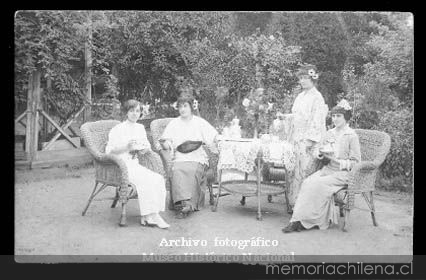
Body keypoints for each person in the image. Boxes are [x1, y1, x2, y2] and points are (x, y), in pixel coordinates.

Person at [282, 99, 361, 233]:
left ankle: (306, 221)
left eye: (339, 116)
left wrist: (338, 161)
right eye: (334, 116)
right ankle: (298, 220)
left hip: (343, 173)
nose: (335, 119)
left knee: (317, 184)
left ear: (346, 118)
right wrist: (319, 153)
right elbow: (320, 149)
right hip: (328, 169)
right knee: (307, 182)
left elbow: (356, 161)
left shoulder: (351, 135)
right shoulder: (330, 133)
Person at [272, 64, 328, 213]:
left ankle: (304, 207)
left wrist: (309, 140)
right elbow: (297, 116)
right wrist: (285, 117)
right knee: (293, 170)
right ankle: (293, 203)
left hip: (309, 141)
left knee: (304, 171)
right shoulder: (301, 96)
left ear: (313, 79)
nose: (302, 81)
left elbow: (317, 120)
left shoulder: (317, 97)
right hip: (296, 138)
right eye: (301, 78)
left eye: (305, 78)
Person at [105, 99, 169, 229]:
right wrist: (126, 147)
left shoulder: (140, 128)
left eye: (137, 111)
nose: (135, 114)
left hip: (134, 164)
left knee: (157, 178)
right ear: (126, 112)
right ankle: (151, 216)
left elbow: (147, 145)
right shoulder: (118, 129)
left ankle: (149, 216)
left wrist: (145, 149)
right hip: (121, 166)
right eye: (132, 111)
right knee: (145, 181)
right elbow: (109, 151)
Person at [160, 89, 219, 218]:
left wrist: (218, 140)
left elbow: (213, 135)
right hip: (180, 157)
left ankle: (188, 205)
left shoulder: (199, 122)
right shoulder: (174, 123)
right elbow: (167, 141)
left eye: (185, 106)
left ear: (191, 107)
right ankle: (181, 204)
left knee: (192, 170)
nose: (182, 109)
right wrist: (165, 144)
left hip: (197, 156)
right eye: (180, 106)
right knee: (177, 170)